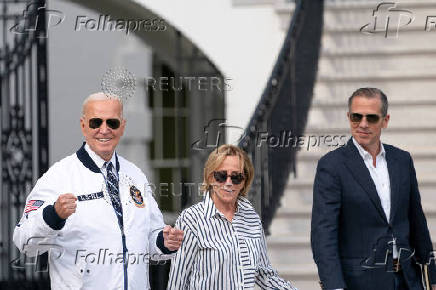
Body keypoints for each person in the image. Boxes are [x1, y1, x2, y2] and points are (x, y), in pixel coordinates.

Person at [13, 92, 184, 289]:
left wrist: (165, 241)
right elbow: (24, 242)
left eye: (112, 122)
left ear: (122, 126)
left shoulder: (135, 175)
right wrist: (53, 215)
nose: (105, 130)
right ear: (83, 125)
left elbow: (150, 237)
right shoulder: (59, 177)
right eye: (96, 122)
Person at [311, 88, 436, 290]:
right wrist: (334, 286)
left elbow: (416, 220)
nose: (363, 124)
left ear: (385, 121)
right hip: (359, 283)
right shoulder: (332, 166)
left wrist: (432, 276)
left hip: (408, 280)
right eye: (356, 117)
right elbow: (323, 235)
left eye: (371, 118)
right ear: (348, 117)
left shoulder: (402, 160)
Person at [167, 144, 297, 290]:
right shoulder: (191, 219)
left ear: (244, 181)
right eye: (221, 176)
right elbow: (177, 282)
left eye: (236, 177)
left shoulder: (252, 219)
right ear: (210, 178)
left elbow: (264, 275)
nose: (228, 183)